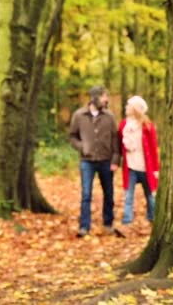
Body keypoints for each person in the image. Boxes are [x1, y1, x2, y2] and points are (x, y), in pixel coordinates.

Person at [69, 85, 120, 238]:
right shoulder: (79, 115)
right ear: (95, 98)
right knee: (86, 195)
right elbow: (72, 136)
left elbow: (115, 140)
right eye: (104, 97)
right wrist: (82, 147)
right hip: (87, 161)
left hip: (106, 161)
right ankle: (84, 227)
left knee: (109, 194)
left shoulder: (110, 116)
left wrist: (116, 159)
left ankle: (108, 224)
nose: (107, 100)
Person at [117, 96, 160, 231]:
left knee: (150, 196)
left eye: (128, 105)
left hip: (145, 167)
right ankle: (127, 222)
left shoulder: (147, 126)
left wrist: (155, 168)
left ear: (135, 109)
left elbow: (153, 148)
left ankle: (152, 219)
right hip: (130, 167)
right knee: (128, 195)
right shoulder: (123, 125)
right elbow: (119, 144)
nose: (126, 107)